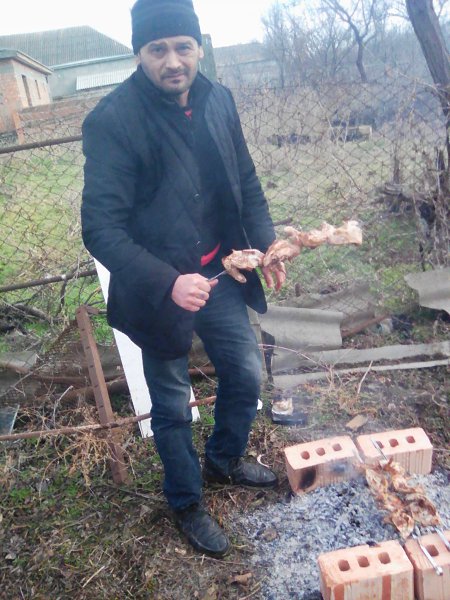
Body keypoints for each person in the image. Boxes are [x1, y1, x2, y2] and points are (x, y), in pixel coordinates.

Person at [81, 0, 286, 558]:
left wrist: (266, 245)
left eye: (182, 47)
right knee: (173, 402)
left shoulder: (218, 99)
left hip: (222, 272)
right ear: (139, 53)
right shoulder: (112, 121)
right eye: (158, 49)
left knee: (245, 372)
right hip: (158, 292)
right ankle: (186, 501)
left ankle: (224, 459)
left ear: (198, 47)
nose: (172, 61)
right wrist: (168, 282)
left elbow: (246, 179)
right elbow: (100, 228)